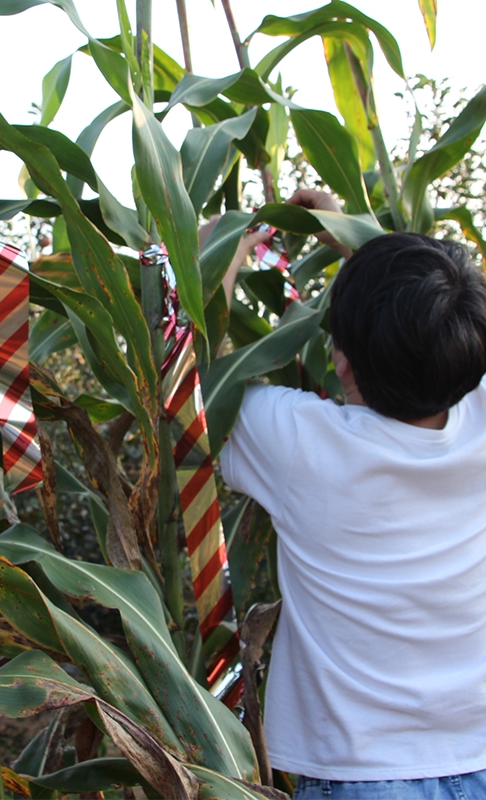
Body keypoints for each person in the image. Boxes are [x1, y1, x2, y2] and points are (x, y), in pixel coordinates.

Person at [219, 189, 486, 799]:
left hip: (362, 773)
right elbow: (458, 324)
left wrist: (221, 252)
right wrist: (370, 249)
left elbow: (190, 386)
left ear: (341, 361)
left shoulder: (298, 444)